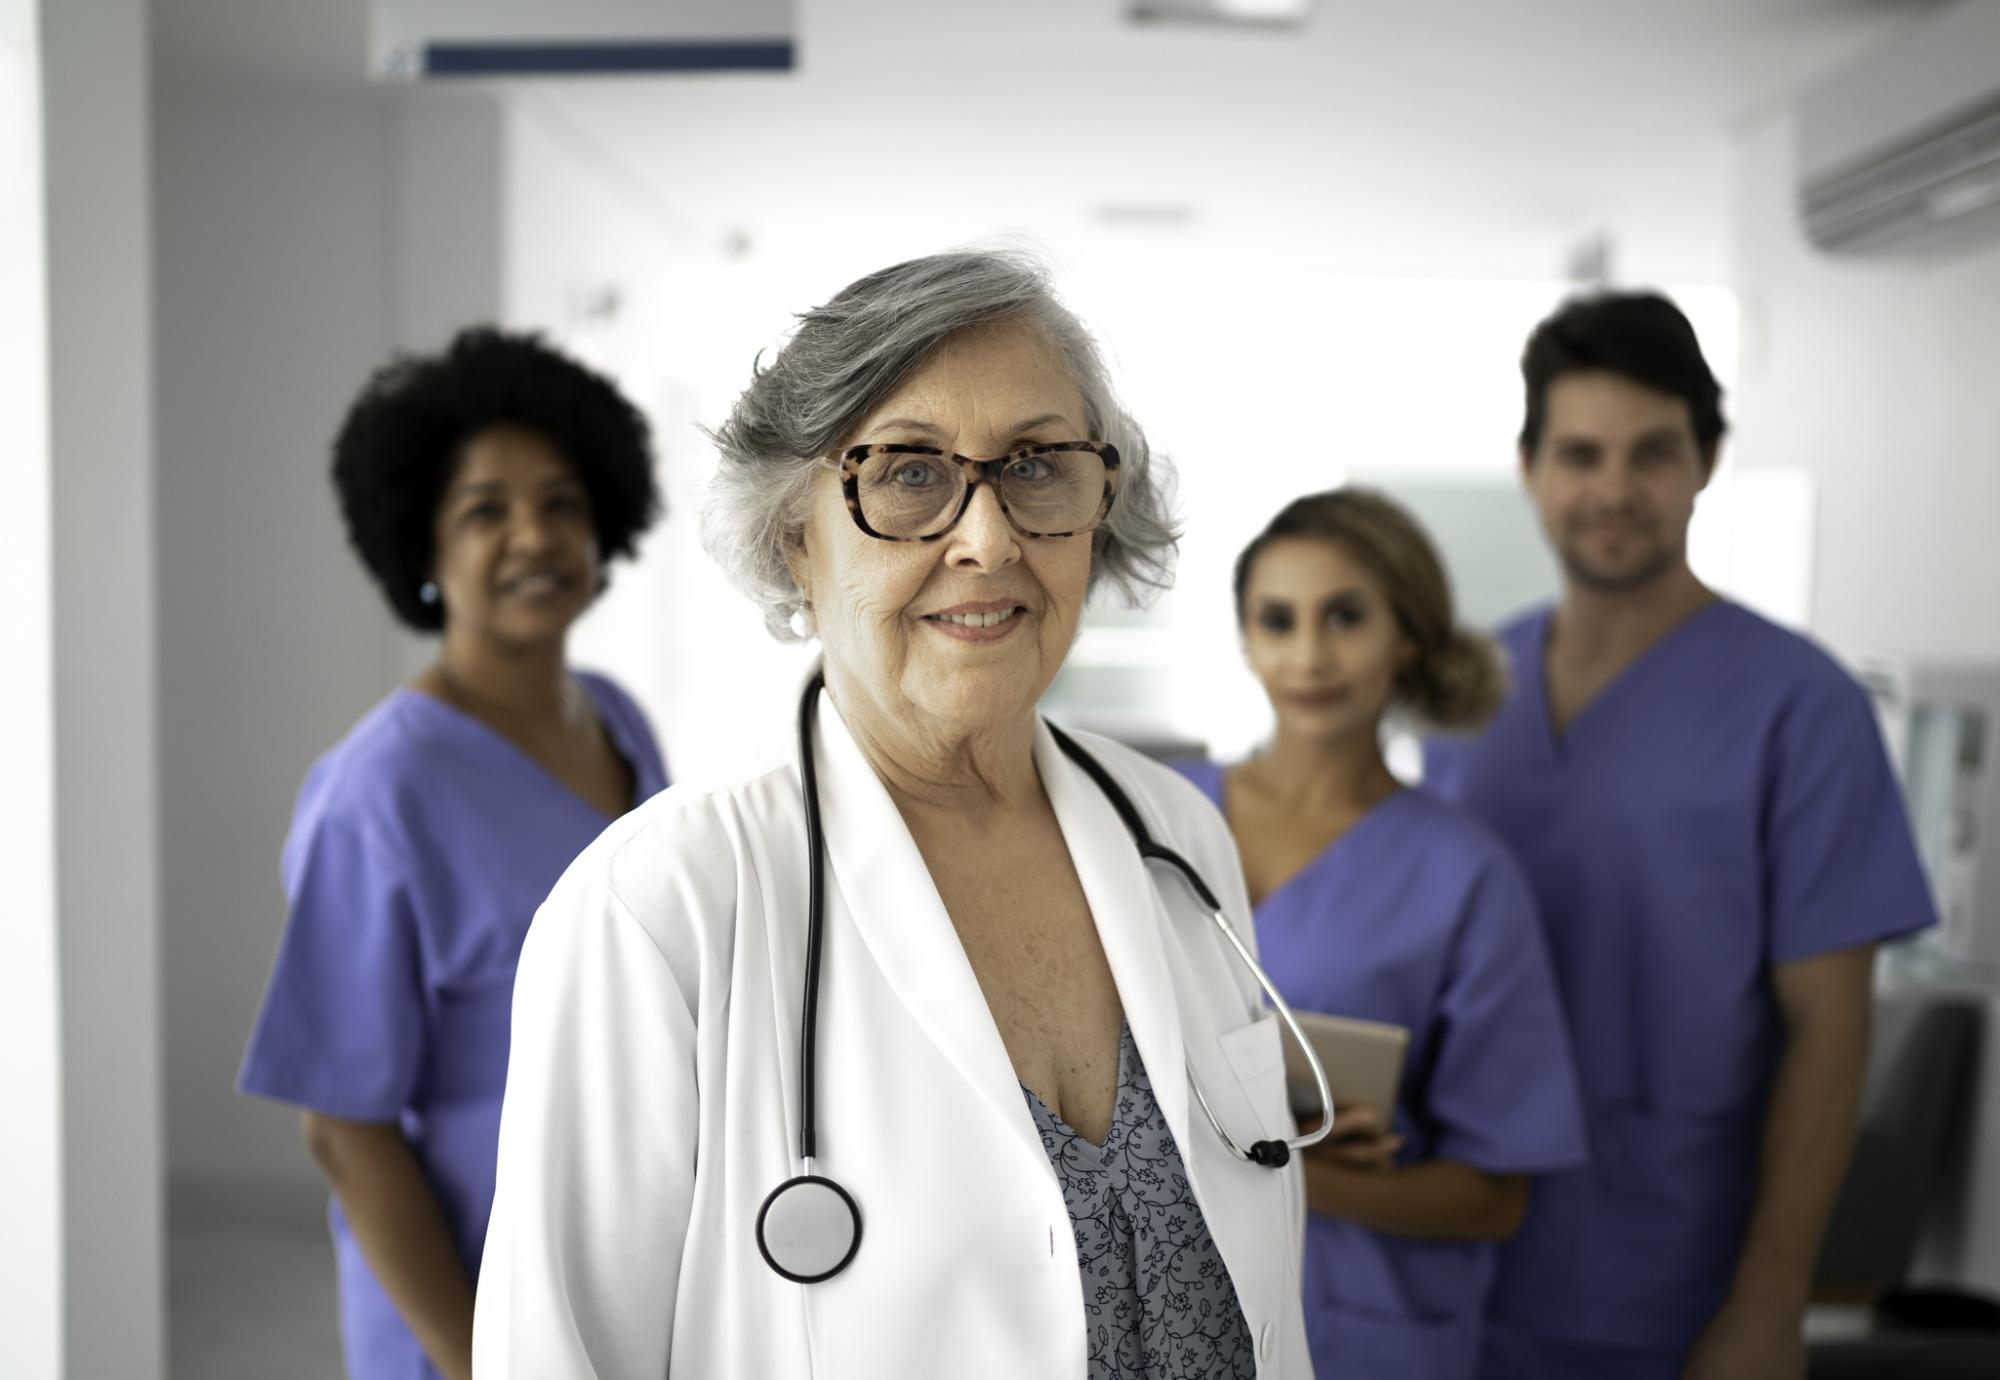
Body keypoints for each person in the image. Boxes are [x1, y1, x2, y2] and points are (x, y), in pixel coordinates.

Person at [472, 251, 1316, 1379]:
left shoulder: (1175, 838)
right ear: (794, 538)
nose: (988, 539)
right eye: (909, 473)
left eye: (1036, 466)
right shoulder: (658, 909)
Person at [1422, 291, 1936, 1380]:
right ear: (1529, 469)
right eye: (1580, 453)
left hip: (1671, 1281)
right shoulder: (1467, 693)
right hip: (1448, 1264)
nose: (1612, 489)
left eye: (1650, 452)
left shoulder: (1801, 707)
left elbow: (1829, 1036)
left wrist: (1768, 1301)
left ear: (1704, 462)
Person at [237, 327, 671, 1380]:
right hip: (469, 1296)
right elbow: (345, 1129)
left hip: (623, 1261)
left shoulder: (617, 722)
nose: (533, 535)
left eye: (562, 502)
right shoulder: (378, 790)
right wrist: (476, 1356)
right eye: (485, 510)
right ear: (423, 550)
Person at [1173, 489, 1586, 1379]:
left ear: (1408, 635)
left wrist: (1273, 1164)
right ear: (1246, 642)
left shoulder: (1467, 877)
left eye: (1346, 618)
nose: (1310, 655)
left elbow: (1493, 1196)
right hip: (1169, 1307)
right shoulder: (1151, 816)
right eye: (1278, 621)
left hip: (1363, 1332)